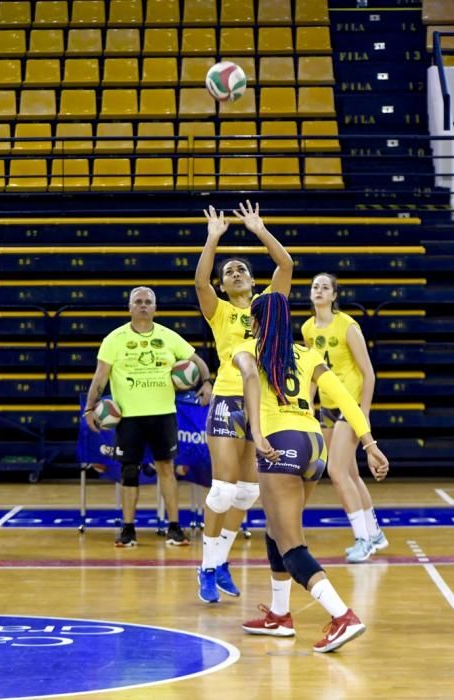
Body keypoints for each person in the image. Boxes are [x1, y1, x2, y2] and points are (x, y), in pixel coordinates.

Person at [233, 292, 389, 652]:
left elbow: (251, 383)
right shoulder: (307, 354)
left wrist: (256, 433)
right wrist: (369, 444)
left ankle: (342, 616)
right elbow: (346, 400)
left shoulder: (246, 351)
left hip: (279, 444)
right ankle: (279, 614)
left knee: (291, 543)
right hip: (314, 443)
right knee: (275, 529)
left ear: (255, 322)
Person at [195, 200, 293, 603]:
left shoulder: (268, 305)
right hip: (227, 399)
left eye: (242, 270)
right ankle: (204, 567)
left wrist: (260, 229)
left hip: (264, 404)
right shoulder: (218, 311)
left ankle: (219, 561)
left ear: (253, 282)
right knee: (221, 490)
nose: (235, 273)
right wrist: (213, 239)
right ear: (223, 284)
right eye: (228, 271)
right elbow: (200, 283)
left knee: (246, 495)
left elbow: (285, 265)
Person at [83, 286, 212, 547]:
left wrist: (207, 382)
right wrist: (89, 407)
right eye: (138, 301)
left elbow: (197, 362)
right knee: (129, 471)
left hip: (163, 415)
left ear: (155, 307)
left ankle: (174, 528)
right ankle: (128, 530)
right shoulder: (114, 339)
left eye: (148, 302)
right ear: (129, 307)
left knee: (166, 469)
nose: (143, 305)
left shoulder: (168, 336)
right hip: (128, 417)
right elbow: (100, 376)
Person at [301, 273, 388, 563]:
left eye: (325, 287)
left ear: (334, 295)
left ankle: (362, 539)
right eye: (315, 287)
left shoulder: (348, 325)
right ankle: (374, 533)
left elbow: (369, 373)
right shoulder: (308, 328)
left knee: (336, 471)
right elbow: (312, 371)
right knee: (349, 473)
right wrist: (307, 404)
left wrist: (363, 410)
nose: (319, 291)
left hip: (348, 403)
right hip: (326, 405)